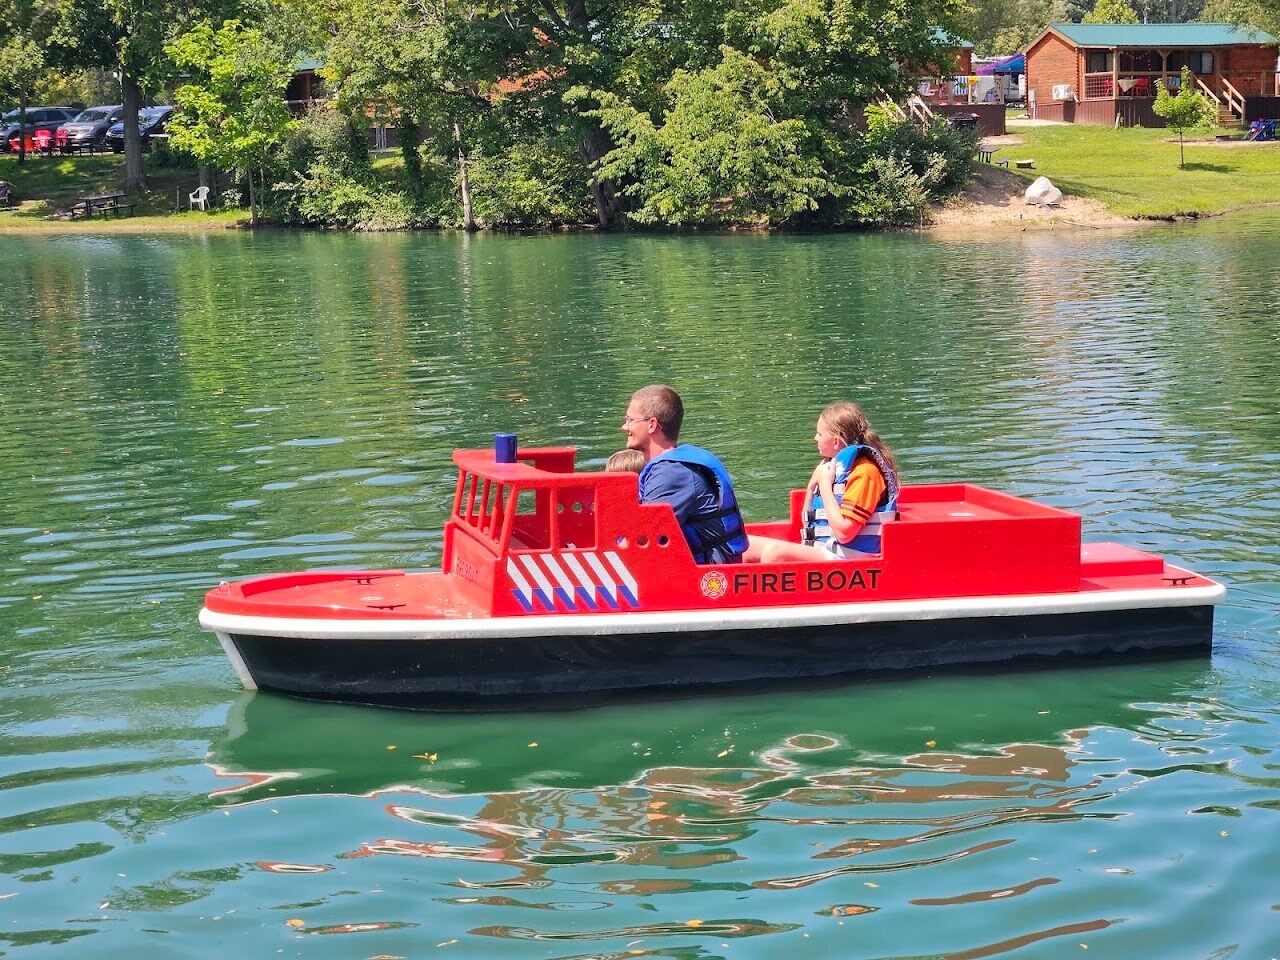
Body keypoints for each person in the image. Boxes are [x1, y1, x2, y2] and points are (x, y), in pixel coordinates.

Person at [744, 402, 898, 564]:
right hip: (825, 549)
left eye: (819, 434)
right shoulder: (832, 468)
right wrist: (812, 486)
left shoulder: (865, 473)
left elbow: (844, 534)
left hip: (849, 558)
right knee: (745, 545)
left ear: (836, 441)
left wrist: (824, 486)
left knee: (774, 553)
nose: (815, 438)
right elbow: (806, 525)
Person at [622, 384, 747, 565]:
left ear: (651, 425)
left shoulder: (672, 472)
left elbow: (642, 541)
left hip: (705, 575)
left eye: (630, 420)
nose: (624, 426)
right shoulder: (674, 465)